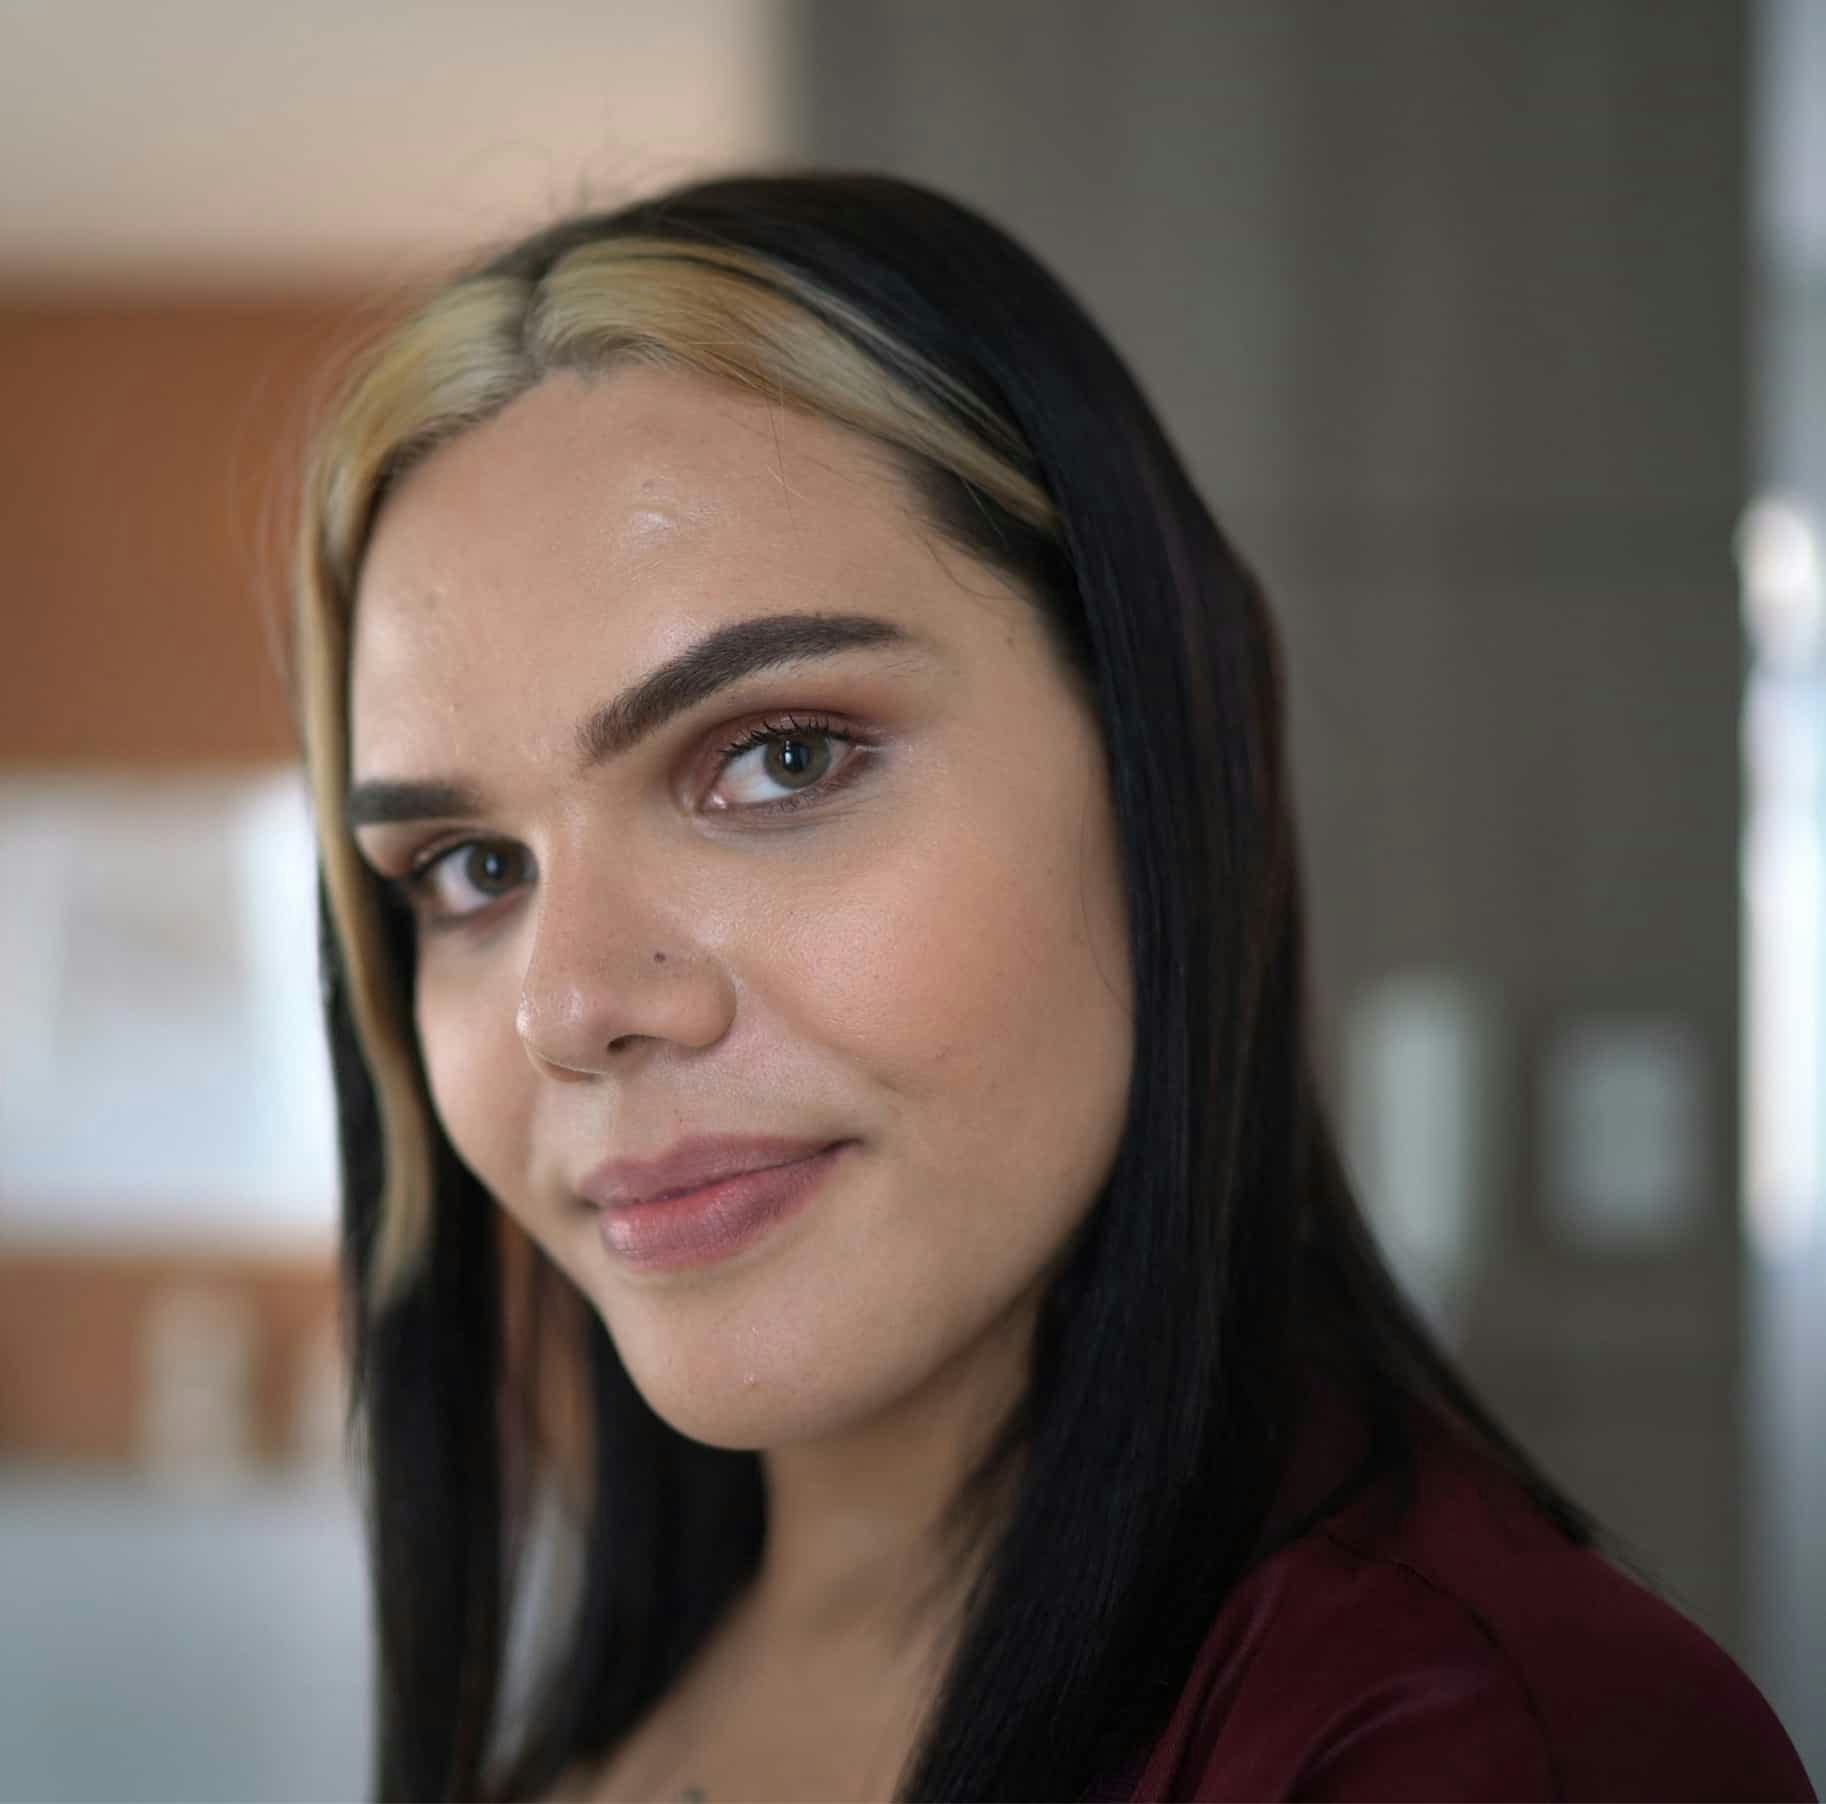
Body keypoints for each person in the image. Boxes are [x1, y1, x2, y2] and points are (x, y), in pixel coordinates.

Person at [292, 173, 1814, 1803]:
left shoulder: (1479, 1747)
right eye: (469, 870)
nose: (571, 1003)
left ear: (1161, 770)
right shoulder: (632, 1694)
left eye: (780, 758)